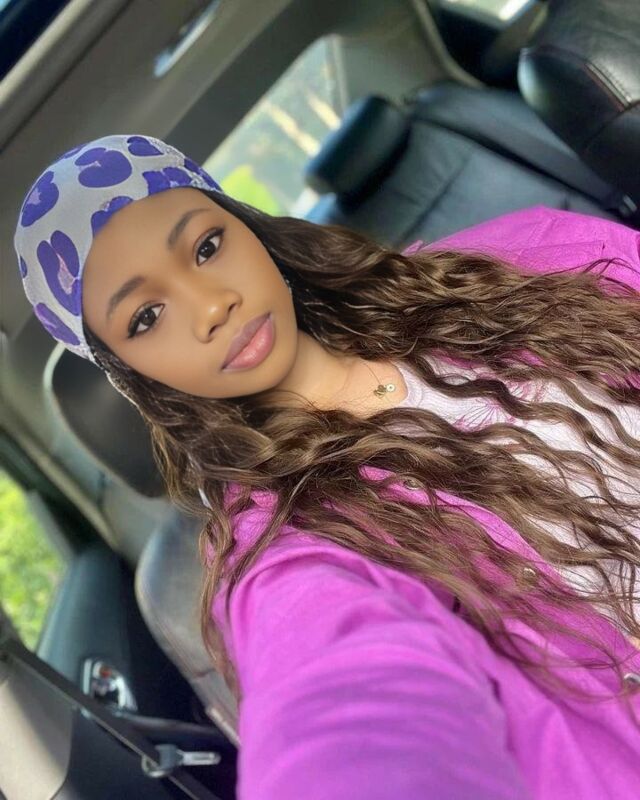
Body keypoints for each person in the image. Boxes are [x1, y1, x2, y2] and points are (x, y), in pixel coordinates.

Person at [13, 134, 640, 799]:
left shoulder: (503, 264)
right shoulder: (288, 548)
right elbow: (343, 703)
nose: (211, 306)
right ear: (129, 373)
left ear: (247, 228)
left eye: (206, 246)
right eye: (146, 316)